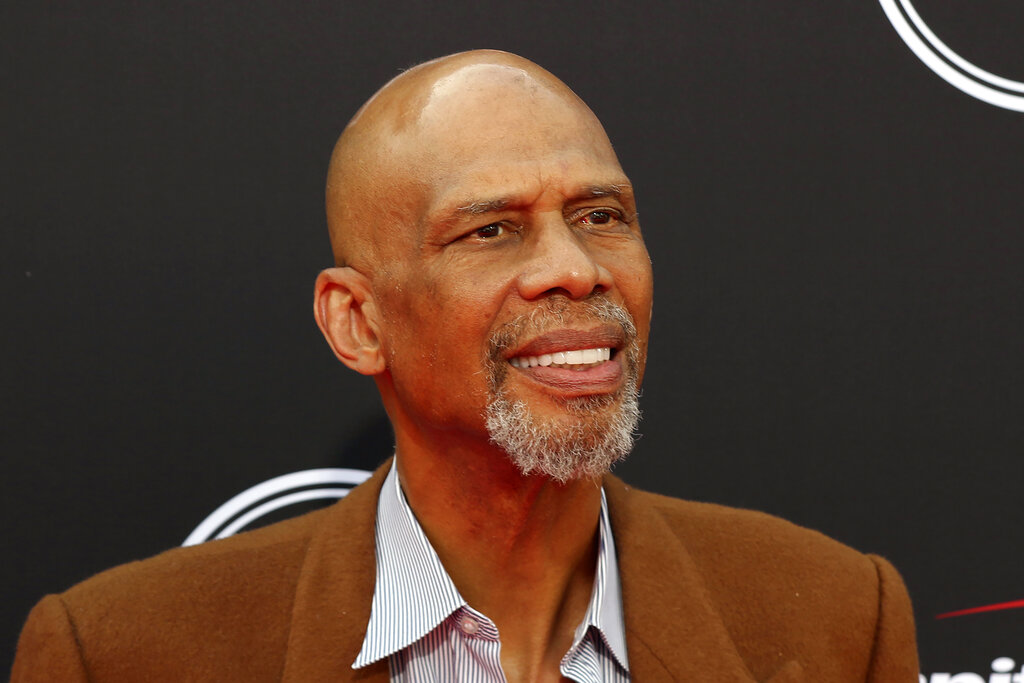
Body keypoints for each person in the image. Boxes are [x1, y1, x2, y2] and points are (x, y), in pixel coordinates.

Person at [11, 50, 919, 682]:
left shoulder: (840, 617)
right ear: (358, 321)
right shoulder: (123, 654)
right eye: (492, 229)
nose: (576, 267)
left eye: (602, 215)